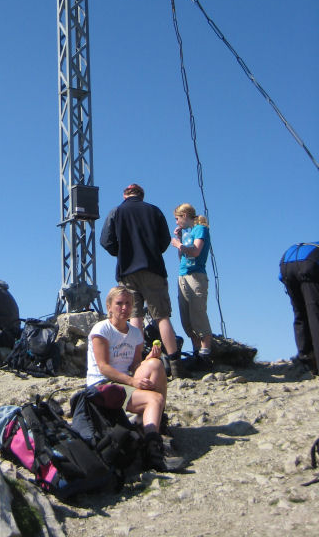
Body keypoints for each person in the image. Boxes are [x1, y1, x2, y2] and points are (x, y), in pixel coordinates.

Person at [100, 183, 184, 377]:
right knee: (162, 317)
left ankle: (136, 364)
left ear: (125, 195)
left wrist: (121, 253)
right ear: (142, 195)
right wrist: (152, 252)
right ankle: (177, 366)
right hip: (154, 268)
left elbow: (106, 241)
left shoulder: (117, 211)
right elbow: (164, 241)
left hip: (127, 271)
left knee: (134, 317)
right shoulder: (154, 211)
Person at [86, 285, 169, 471]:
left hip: (124, 381)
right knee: (155, 398)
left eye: (128, 304)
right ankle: (152, 449)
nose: (124, 308)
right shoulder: (102, 329)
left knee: (156, 365)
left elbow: (134, 366)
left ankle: (155, 423)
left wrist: (148, 360)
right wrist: (133, 382)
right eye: (119, 303)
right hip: (102, 384)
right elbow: (104, 368)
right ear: (109, 306)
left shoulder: (135, 333)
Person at [171, 203, 213, 370]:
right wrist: (180, 240)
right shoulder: (188, 233)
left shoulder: (200, 229)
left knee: (198, 314)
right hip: (183, 274)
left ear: (185, 216)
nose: (176, 223)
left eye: (177, 219)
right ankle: (196, 351)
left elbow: (195, 252)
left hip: (196, 276)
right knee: (186, 317)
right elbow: (183, 256)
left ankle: (205, 353)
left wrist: (178, 244)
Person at [279, 242, 319, 376]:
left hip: (285, 263)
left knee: (300, 313)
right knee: (315, 314)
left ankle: (305, 358)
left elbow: (280, 277)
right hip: (308, 263)